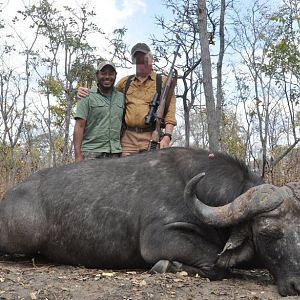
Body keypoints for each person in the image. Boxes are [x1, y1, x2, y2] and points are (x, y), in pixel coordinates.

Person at [77, 43, 177, 156]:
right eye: (137, 59)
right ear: (134, 61)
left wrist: (167, 137)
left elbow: (170, 114)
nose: (141, 62)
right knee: (123, 171)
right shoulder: (125, 82)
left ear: (151, 59)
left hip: (151, 136)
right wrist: (86, 92)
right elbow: (106, 91)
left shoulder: (164, 82)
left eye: (143, 58)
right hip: (127, 139)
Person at [73, 61, 124, 162]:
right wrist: (78, 156)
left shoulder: (122, 97)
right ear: (97, 75)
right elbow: (79, 126)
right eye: (103, 73)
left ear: (115, 75)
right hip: (91, 154)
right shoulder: (86, 96)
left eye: (111, 73)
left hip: (115, 154)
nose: (107, 77)